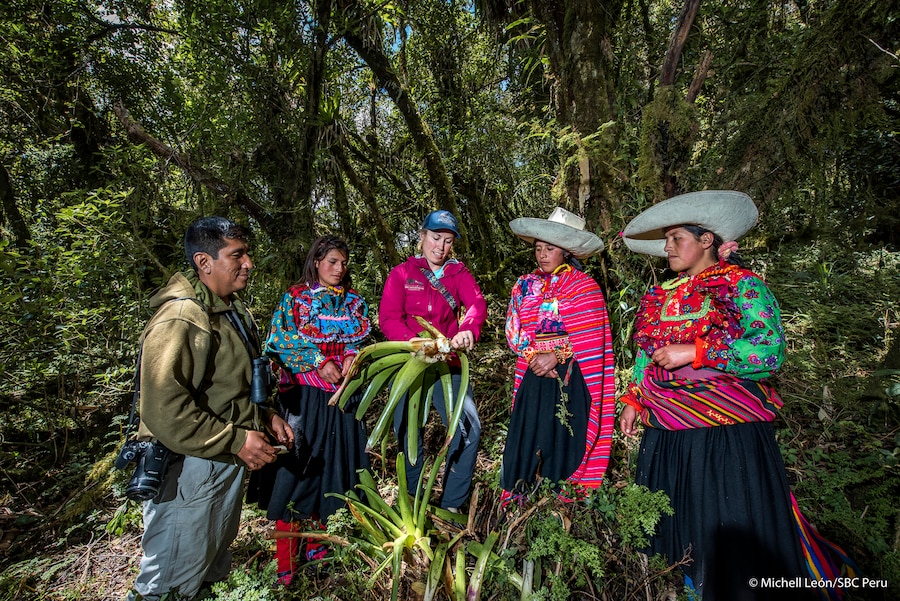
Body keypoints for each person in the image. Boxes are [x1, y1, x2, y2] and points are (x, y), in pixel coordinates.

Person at [619, 191, 850, 600]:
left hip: (724, 433)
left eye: (676, 238)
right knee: (682, 523)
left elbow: (769, 349)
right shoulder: (661, 296)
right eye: (666, 240)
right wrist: (635, 399)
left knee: (723, 522)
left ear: (706, 240)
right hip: (668, 430)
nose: (668, 248)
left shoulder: (742, 285)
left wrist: (697, 351)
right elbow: (644, 353)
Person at [128, 216, 293, 601]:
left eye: (247, 254)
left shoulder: (232, 310)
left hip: (223, 462)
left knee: (208, 569)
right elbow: (164, 409)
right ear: (204, 262)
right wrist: (236, 439)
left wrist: (265, 415)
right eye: (237, 255)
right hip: (190, 466)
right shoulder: (183, 318)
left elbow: (232, 384)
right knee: (170, 580)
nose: (248, 263)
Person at [251, 235, 372, 584]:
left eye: (344, 262)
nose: (339, 268)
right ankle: (286, 561)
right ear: (316, 262)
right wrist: (318, 362)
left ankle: (319, 544)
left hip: (343, 402)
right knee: (298, 472)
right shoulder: (297, 298)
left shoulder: (354, 303)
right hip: (305, 400)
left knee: (333, 472)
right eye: (332, 261)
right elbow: (279, 339)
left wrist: (352, 357)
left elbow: (361, 340)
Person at [502, 208, 617, 500]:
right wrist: (533, 357)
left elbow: (593, 336)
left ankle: (562, 498)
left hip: (570, 373)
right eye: (538, 248)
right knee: (528, 432)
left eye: (549, 248)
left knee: (564, 431)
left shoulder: (584, 287)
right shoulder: (524, 285)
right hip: (533, 372)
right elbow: (514, 327)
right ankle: (520, 495)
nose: (542, 254)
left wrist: (556, 355)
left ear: (566, 252)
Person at [379, 209, 487, 511]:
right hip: (410, 363)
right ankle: (412, 501)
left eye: (448, 241)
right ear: (422, 237)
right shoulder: (401, 273)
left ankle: (451, 504)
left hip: (447, 363)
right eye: (436, 238)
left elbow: (476, 304)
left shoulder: (459, 273)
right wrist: (415, 343)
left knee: (467, 427)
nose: (440, 247)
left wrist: (468, 329)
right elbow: (388, 318)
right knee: (408, 430)